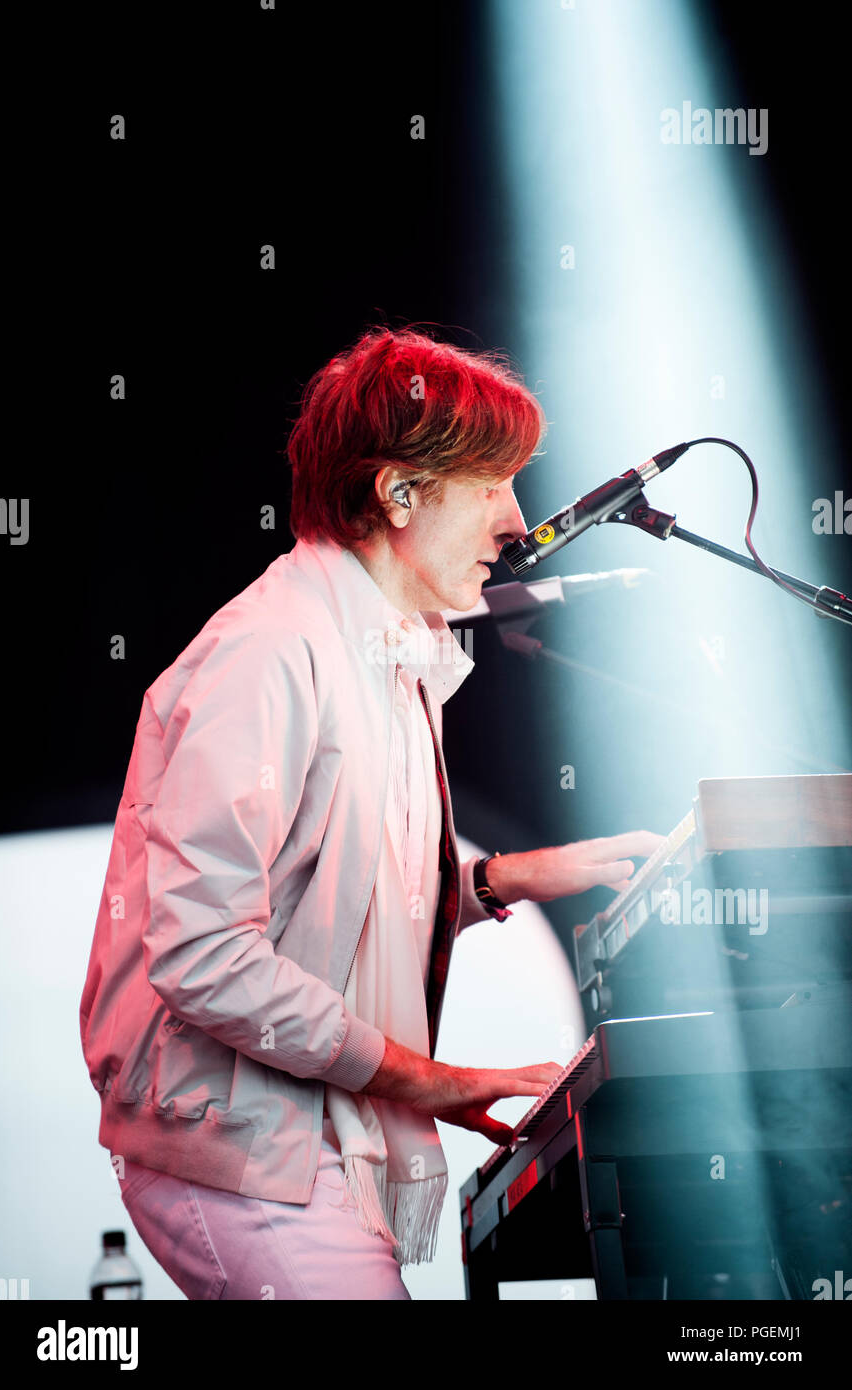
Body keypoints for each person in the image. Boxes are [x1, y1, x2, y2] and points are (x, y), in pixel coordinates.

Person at [79, 325, 663, 1300]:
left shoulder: (379, 650)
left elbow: (328, 893)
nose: (515, 521)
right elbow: (200, 954)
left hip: (297, 1144)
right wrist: (430, 1080)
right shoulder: (268, 652)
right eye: (491, 487)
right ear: (397, 495)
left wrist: (497, 879)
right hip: (247, 1149)